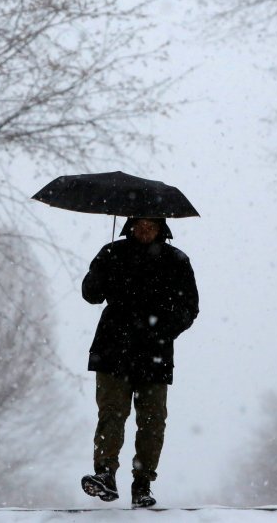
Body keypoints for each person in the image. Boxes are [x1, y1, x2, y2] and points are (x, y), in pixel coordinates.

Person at [79, 216, 199, 508]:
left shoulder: (177, 260)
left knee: (152, 421)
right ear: (130, 225)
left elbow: (190, 308)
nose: (145, 229)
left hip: (154, 354)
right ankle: (105, 474)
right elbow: (90, 294)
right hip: (112, 348)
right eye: (140, 224)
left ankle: (142, 484)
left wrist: (162, 330)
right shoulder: (111, 253)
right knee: (111, 412)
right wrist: (98, 275)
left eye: (151, 224)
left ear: (161, 228)